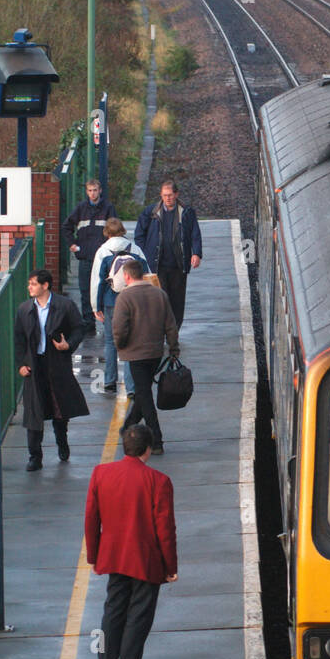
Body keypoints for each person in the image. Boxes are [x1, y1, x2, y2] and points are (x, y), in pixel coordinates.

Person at [84, 423, 178, 659]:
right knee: (138, 619)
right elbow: (165, 530)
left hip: (113, 557)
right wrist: (170, 567)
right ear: (147, 450)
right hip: (145, 562)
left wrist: (93, 556)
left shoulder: (101, 474)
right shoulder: (159, 482)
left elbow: (91, 519)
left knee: (110, 615)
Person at [14, 270, 90, 471]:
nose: (29, 287)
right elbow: (19, 339)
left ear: (45, 285)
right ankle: (34, 456)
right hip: (34, 364)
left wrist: (69, 344)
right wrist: (21, 364)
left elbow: (79, 328)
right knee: (33, 411)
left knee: (59, 407)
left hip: (57, 363)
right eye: (29, 283)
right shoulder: (24, 310)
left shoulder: (64, 306)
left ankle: (62, 441)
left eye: (33, 284)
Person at [113, 259, 179, 455]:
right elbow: (171, 325)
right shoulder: (159, 294)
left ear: (126, 276)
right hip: (155, 352)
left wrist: (121, 345)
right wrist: (173, 348)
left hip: (135, 353)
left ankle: (156, 439)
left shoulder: (125, 297)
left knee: (144, 395)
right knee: (143, 391)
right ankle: (128, 426)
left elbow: (119, 328)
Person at [90, 218, 149, 395]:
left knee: (110, 341)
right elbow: (147, 273)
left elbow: (97, 281)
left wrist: (95, 306)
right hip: (134, 301)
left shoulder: (103, 251)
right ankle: (131, 387)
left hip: (111, 302)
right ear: (122, 230)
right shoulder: (135, 249)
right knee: (131, 342)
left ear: (107, 232)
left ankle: (109, 381)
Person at [134, 179, 202, 330]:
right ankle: (162, 329)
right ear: (161, 195)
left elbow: (195, 234)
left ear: (176, 194)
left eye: (170, 195)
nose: (168, 198)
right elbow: (139, 234)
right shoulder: (151, 212)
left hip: (179, 264)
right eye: (165, 195)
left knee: (177, 299)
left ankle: (175, 329)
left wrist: (196, 253)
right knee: (160, 298)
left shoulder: (186, 212)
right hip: (157, 265)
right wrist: (144, 253)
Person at [61, 179, 117, 336]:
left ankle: (108, 322)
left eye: (95, 190)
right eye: (90, 190)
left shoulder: (108, 208)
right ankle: (88, 323)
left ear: (100, 191)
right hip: (85, 257)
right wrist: (72, 244)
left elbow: (115, 227)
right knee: (85, 290)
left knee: (106, 289)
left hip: (104, 257)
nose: (93, 193)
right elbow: (66, 226)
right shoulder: (81, 209)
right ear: (87, 192)